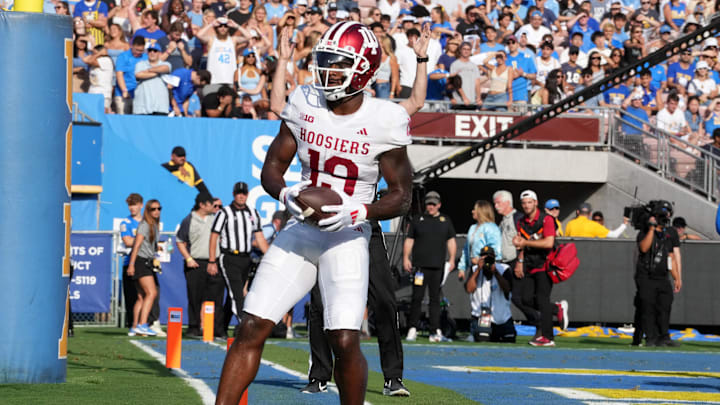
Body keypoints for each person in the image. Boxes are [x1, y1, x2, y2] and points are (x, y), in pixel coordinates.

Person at [215, 22, 430, 405]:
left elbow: (401, 197)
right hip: (301, 228)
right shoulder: (304, 101)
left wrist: (358, 211)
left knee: (344, 338)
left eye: (337, 63)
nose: (326, 71)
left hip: (347, 235)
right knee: (251, 325)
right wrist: (287, 192)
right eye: (325, 61)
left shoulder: (384, 118)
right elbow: (271, 169)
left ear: (363, 68)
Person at [209, 181, 268, 336]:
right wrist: (212, 260)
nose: (241, 196)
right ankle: (245, 327)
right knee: (237, 295)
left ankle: (220, 329)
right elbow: (214, 235)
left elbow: (260, 237)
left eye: (244, 193)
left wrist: (270, 256)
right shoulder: (225, 212)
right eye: (238, 193)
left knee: (233, 297)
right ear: (234, 194)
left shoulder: (253, 213)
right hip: (229, 257)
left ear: (247, 195)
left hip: (245, 258)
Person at [403, 191, 458, 343]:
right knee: (417, 297)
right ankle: (412, 328)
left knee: (435, 299)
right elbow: (409, 240)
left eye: (434, 204)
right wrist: (406, 258)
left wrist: (452, 258)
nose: (431, 206)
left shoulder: (445, 220)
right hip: (420, 266)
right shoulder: (417, 220)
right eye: (429, 204)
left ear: (439, 204)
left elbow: (451, 241)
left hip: (437, 267)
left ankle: (435, 329)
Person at [176, 192, 226, 339]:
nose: (214, 207)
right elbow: (179, 241)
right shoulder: (189, 219)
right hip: (196, 263)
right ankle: (194, 327)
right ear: (202, 205)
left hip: (214, 262)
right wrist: (188, 258)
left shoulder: (216, 219)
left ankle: (216, 329)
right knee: (195, 298)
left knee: (215, 298)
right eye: (211, 204)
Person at [633, 201, 682, 347]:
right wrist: (651, 229)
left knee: (665, 305)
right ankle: (651, 337)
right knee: (648, 307)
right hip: (646, 276)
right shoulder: (645, 230)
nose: (664, 218)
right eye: (661, 215)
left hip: (662, 276)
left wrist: (677, 276)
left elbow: (671, 256)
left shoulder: (670, 233)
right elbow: (643, 248)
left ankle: (664, 336)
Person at [512, 190, 556, 347]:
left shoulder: (547, 220)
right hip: (530, 264)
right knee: (525, 298)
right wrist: (520, 259)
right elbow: (521, 242)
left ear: (536, 203)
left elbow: (549, 243)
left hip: (545, 264)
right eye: (524, 203)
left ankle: (548, 337)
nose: (526, 206)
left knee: (542, 300)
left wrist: (525, 243)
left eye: (529, 202)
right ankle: (557, 309)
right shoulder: (521, 221)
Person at [457, 200, 502, 340]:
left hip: (485, 267)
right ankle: (473, 329)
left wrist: (484, 259)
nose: (472, 212)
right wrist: (462, 267)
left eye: (475, 209)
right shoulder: (473, 228)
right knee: (473, 298)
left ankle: (489, 328)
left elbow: (496, 248)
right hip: (474, 267)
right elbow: (466, 249)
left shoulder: (491, 228)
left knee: (485, 298)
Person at [127, 199, 163, 337]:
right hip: (141, 262)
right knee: (152, 293)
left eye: (159, 208)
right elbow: (136, 245)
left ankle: (135, 326)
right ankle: (143, 324)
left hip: (146, 261)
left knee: (142, 297)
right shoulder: (145, 224)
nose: (156, 211)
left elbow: (148, 245)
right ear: (147, 210)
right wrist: (131, 264)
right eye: (153, 209)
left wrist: (157, 247)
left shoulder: (154, 225)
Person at [465, 246, 516, 342]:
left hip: (502, 318)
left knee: (509, 341)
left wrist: (495, 272)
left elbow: (507, 289)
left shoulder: (503, 269)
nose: (486, 260)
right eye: (484, 257)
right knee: (482, 340)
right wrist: (478, 270)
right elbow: (469, 289)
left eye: (489, 257)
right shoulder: (474, 270)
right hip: (481, 318)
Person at [120, 193, 143, 333]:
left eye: (134, 204)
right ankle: (132, 325)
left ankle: (145, 323)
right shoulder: (125, 223)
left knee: (147, 294)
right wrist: (143, 241)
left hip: (145, 262)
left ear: (141, 205)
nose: (132, 208)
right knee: (131, 296)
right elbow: (127, 241)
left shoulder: (146, 222)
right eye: (130, 205)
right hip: (129, 262)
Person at [133, 43, 171, 115]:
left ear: (160, 53)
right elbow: (138, 75)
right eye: (150, 50)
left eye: (155, 51)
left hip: (160, 107)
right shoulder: (140, 64)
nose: (152, 53)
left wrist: (147, 71)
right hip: (142, 107)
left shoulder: (165, 64)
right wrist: (158, 72)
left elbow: (165, 68)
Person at [114, 36, 147, 114]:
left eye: (141, 50)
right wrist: (124, 90)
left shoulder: (145, 57)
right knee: (122, 119)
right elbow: (119, 74)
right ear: (132, 46)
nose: (138, 52)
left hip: (139, 95)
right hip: (123, 94)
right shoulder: (123, 56)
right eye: (136, 50)